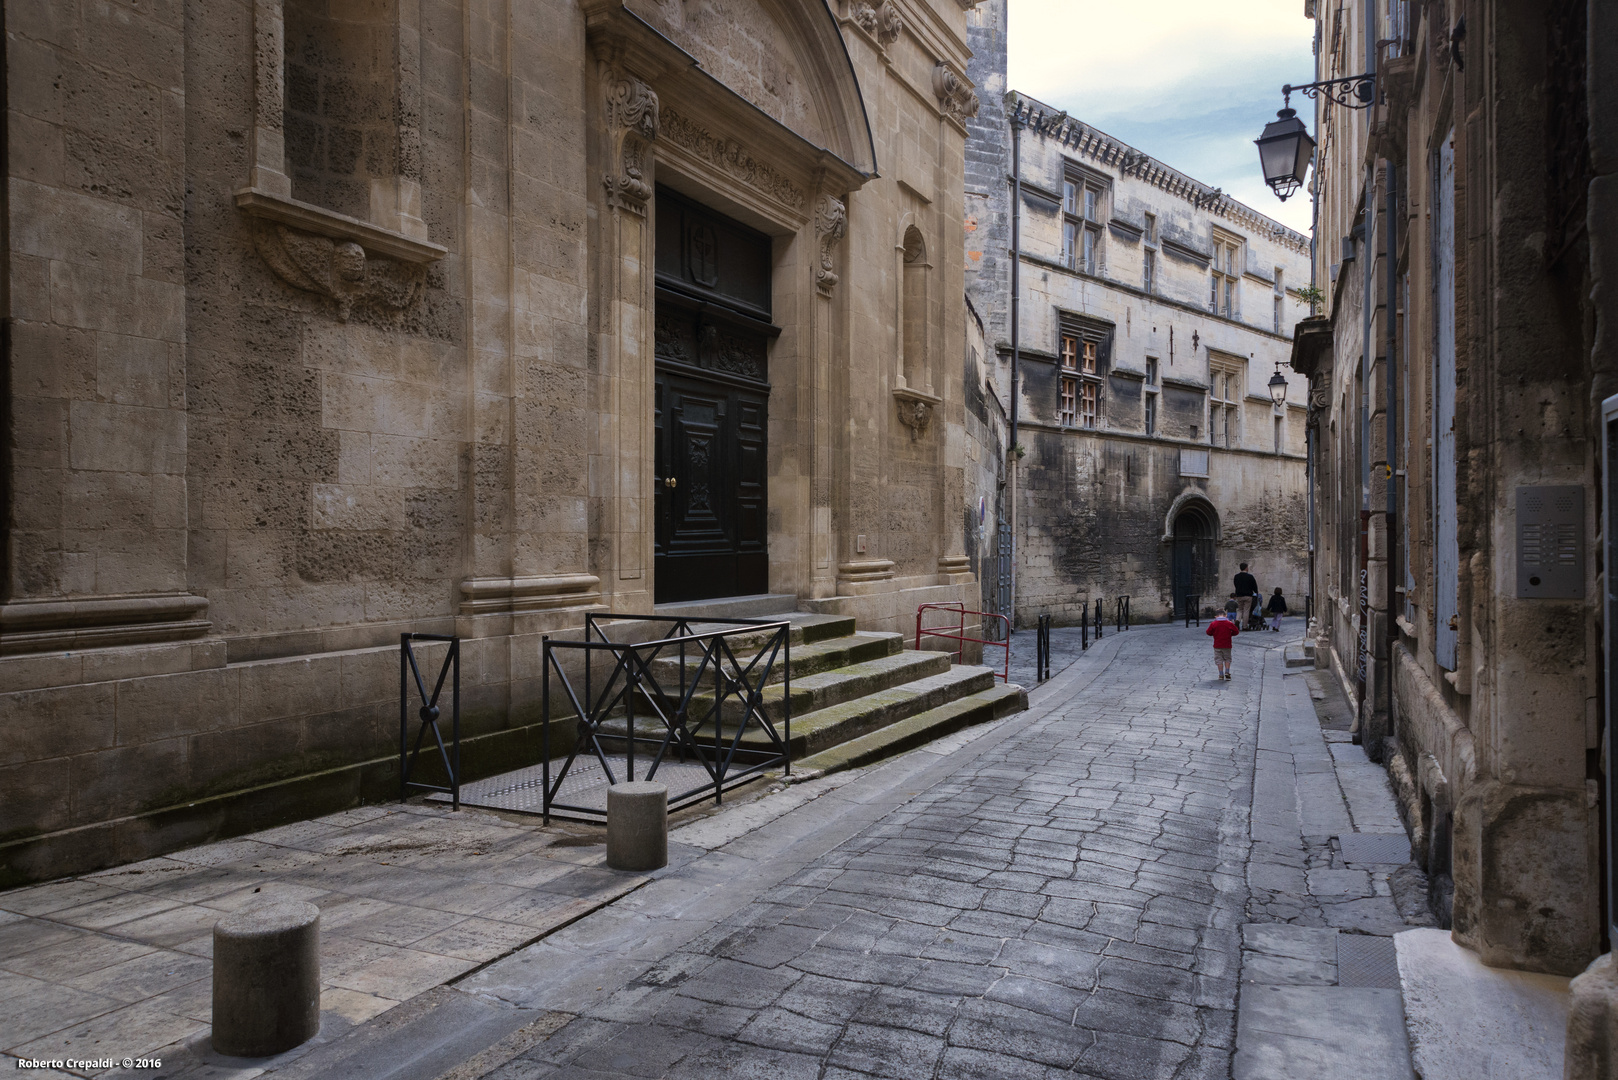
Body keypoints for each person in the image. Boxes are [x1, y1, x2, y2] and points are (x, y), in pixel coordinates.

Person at [1206, 600, 1240, 680]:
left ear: (1216, 616)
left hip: (1217, 645)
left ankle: (1221, 674)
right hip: (1227, 645)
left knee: (1219, 659)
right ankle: (1227, 672)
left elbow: (1208, 632)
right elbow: (1236, 631)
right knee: (1227, 658)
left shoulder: (1213, 624)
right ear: (1225, 616)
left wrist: (1214, 634)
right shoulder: (1229, 623)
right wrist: (1230, 634)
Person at [1233, 563, 1258, 629]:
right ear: (1246, 568)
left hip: (1239, 595)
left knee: (1239, 609)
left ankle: (1237, 620)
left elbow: (1235, 585)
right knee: (1246, 610)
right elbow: (1254, 586)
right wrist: (1256, 592)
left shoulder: (1236, 576)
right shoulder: (1250, 576)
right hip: (1248, 595)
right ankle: (1244, 626)